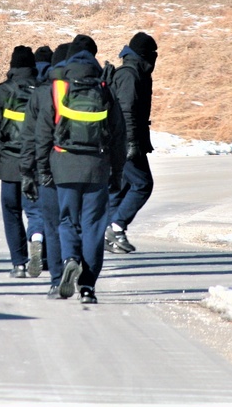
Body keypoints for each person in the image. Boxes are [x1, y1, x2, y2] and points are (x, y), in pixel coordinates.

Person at [34, 34, 126, 303]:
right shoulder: (104, 86)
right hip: (97, 166)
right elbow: (119, 135)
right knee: (94, 226)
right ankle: (87, 287)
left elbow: (43, 133)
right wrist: (117, 172)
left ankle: (70, 257)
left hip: (63, 163)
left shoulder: (58, 86)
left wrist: (43, 168)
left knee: (67, 220)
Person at [0, 45, 44, 278]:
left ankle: (19, 264)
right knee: (36, 211)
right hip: (36, 163)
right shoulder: (43, 90)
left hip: (8, 164)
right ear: (33, 67)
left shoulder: (3, 91)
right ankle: (37, 238)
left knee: (12, 213)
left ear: (12, 66)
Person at [20, 43, 68, 298]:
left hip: (42, 165)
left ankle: (42, 249)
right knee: (70, 221)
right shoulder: (71, 89)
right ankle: (75, 266)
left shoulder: (39, 92)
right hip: (75, 165)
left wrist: (28, 171)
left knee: (45, 218)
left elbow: (30, 136)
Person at [106, 32, 158, 254]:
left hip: (122, 140)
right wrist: (131, 144)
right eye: (153, 54)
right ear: (145, 54)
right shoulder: (130, 75)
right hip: (123, 141)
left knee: (121, 186)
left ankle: (107, 232)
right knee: (142, 184)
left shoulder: (135, 72)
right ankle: (115, 228)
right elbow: (126, 111)